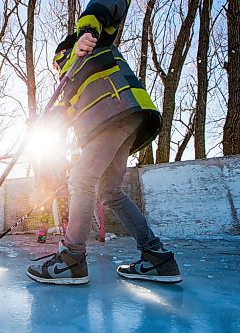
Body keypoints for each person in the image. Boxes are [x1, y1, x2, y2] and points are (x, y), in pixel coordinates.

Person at [26, 0, 182, 285]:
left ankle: (72, 258)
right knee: (109, 191)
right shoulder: (69, 80)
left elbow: (109, 3)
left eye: (60, 57)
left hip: (117, 109)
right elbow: (66, 114)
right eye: (58, 63)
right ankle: (157, 256)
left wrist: (86, 30)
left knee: (81, 179)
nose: (59, 64)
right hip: (119, 121)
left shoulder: (93, 42)